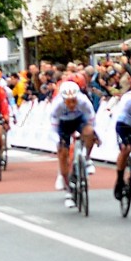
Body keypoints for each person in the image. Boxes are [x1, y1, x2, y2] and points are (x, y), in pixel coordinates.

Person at [50, 81, 97, 209]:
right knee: (63, 155)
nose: (71, 104)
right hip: (63, 125)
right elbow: (52, 131)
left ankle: (86, 159)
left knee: (90, 133)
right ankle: (68, 190)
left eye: (73, 100)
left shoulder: (84, 101)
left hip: (79, 121)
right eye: (68, 101)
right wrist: (59, 142)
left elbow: (92, 121)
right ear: (63, 99)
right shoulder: (57, 106)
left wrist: (95, 136)